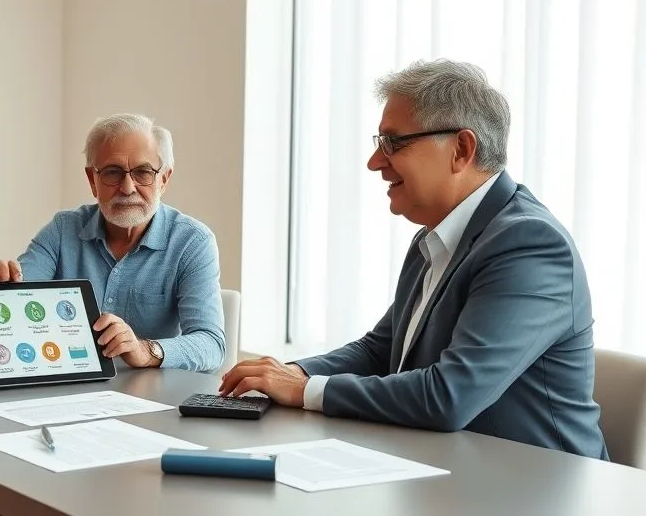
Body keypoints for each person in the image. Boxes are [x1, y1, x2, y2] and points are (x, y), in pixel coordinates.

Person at [220, 59, 608, 459]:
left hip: (540, 489)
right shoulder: (436, 236)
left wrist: (303, 390)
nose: (375, 161)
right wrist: (295, 373)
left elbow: (449, 395)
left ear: (461, 149)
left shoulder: (529, 244)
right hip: (451, 471)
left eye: (394, 143)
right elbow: (381, 351)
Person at [0, 113, 225, 373]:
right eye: (112, 173)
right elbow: (19, 293)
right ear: (92, 180)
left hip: (151, 398)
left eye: (143, 172)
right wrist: (0, 292)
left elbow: (211, 344)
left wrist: (146, 350)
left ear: (164, 179)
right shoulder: (63, 230)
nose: (128, 187)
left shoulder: (192, 242)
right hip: (66, 386)